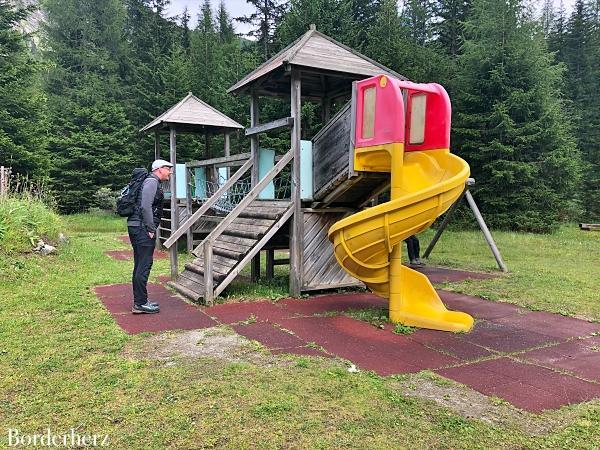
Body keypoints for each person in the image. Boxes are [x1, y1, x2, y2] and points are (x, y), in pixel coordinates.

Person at [127, 159, 173, 314]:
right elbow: (145, 206)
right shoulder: (152, 182)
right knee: (144, 264)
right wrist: (150, 228)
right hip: (141, 228)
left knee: (140, 264)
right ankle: (139, 304)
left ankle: (141, 301)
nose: (170, 172)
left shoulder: (151, 182)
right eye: (168, 169)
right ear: (159, 169)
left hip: (137, 226)